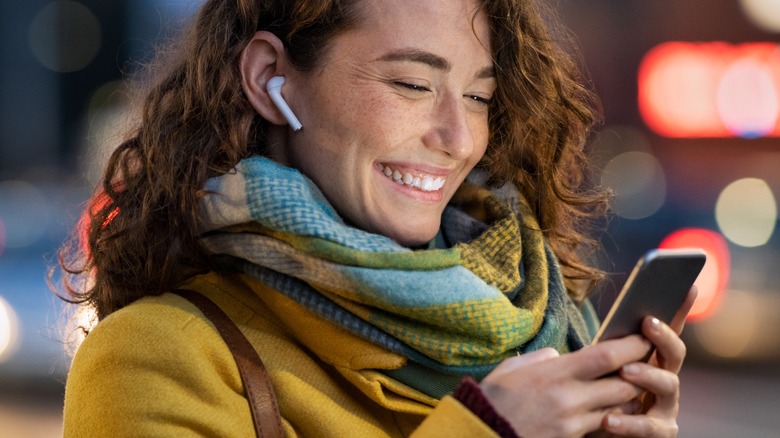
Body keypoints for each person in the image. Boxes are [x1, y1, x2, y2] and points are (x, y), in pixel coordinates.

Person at [58, 0, 696, 436]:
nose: (457, 137)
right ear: (270, 78)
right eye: (413, 85)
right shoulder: (157, 356)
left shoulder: (552, 324)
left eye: (479, 97)